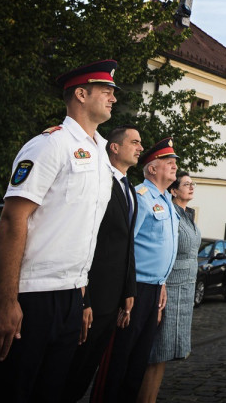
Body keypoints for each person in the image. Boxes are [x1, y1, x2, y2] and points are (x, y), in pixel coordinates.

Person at [0, 60, 118, 403]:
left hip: (69, 295)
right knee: (8, 391)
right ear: (81, 94)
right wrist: (6, 302)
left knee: (50, 393)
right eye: (106, 91)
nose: (113, 98)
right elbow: (12, 219)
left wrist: (81, 298)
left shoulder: (100, 152)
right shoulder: (49, 145)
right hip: (29, 295)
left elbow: (82, 231)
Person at [92, 138, 180, 402]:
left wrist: (162, 283)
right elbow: (125, 245)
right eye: (169, 162)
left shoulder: (166, 200)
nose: (175, 167)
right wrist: (127, 290)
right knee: (118, 359)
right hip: (135, 289)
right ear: (152, 169)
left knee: (138, 362)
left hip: (154, 290)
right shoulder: (141, 197)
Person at [62, 125, 142, 402]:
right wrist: (85, 299)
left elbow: (127, 244)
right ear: (114, 147)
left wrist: (129, 289)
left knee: (88, 368)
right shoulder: (101, 181)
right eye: (134, 142)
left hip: (114, 298)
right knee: (71, 369)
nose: (140, 148)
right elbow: (87, 239)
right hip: (92, 295)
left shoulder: (128, 188)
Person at [137, 171, 202, 402]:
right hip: (170, 286)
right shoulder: (169, 212)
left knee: (165, 353)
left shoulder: (187, 214)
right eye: (186, 184)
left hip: (186, 289)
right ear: (174, 190)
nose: (191, 187)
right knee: (157, 351)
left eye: (192, 184)